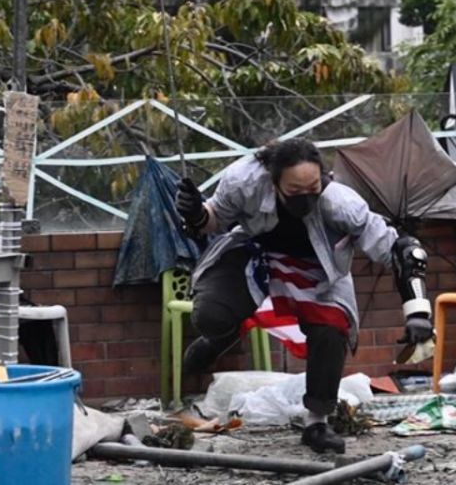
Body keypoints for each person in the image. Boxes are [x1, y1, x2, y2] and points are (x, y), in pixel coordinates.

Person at [175, 138, 433, 453]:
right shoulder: (244, 180)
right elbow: (213, 220)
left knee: (331, 329)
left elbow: (402, 251)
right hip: (255, 252)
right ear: (273, 180)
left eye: (314, 187)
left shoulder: (341, 204)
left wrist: (418, 313)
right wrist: (195, 212)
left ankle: (316, 424)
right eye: (295, 192)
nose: (306, 199)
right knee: (211, 316)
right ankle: (219, 337)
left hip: (318, 269)